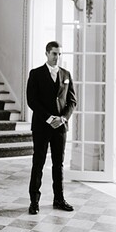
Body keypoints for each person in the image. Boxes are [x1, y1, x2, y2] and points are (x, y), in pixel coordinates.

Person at [27, 41, 77, 214]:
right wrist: (49, 118)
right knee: (38, 163)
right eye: (54, 53)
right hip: (42, 126)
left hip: (60, 127)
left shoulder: (66, 74)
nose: (57, 57)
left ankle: (59, 199)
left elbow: (72, 101)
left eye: (59, 54)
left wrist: (63, 119)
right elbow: (32, 100)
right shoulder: (35, 74)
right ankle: (34, 201)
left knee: (58, 164)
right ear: (47, 53)